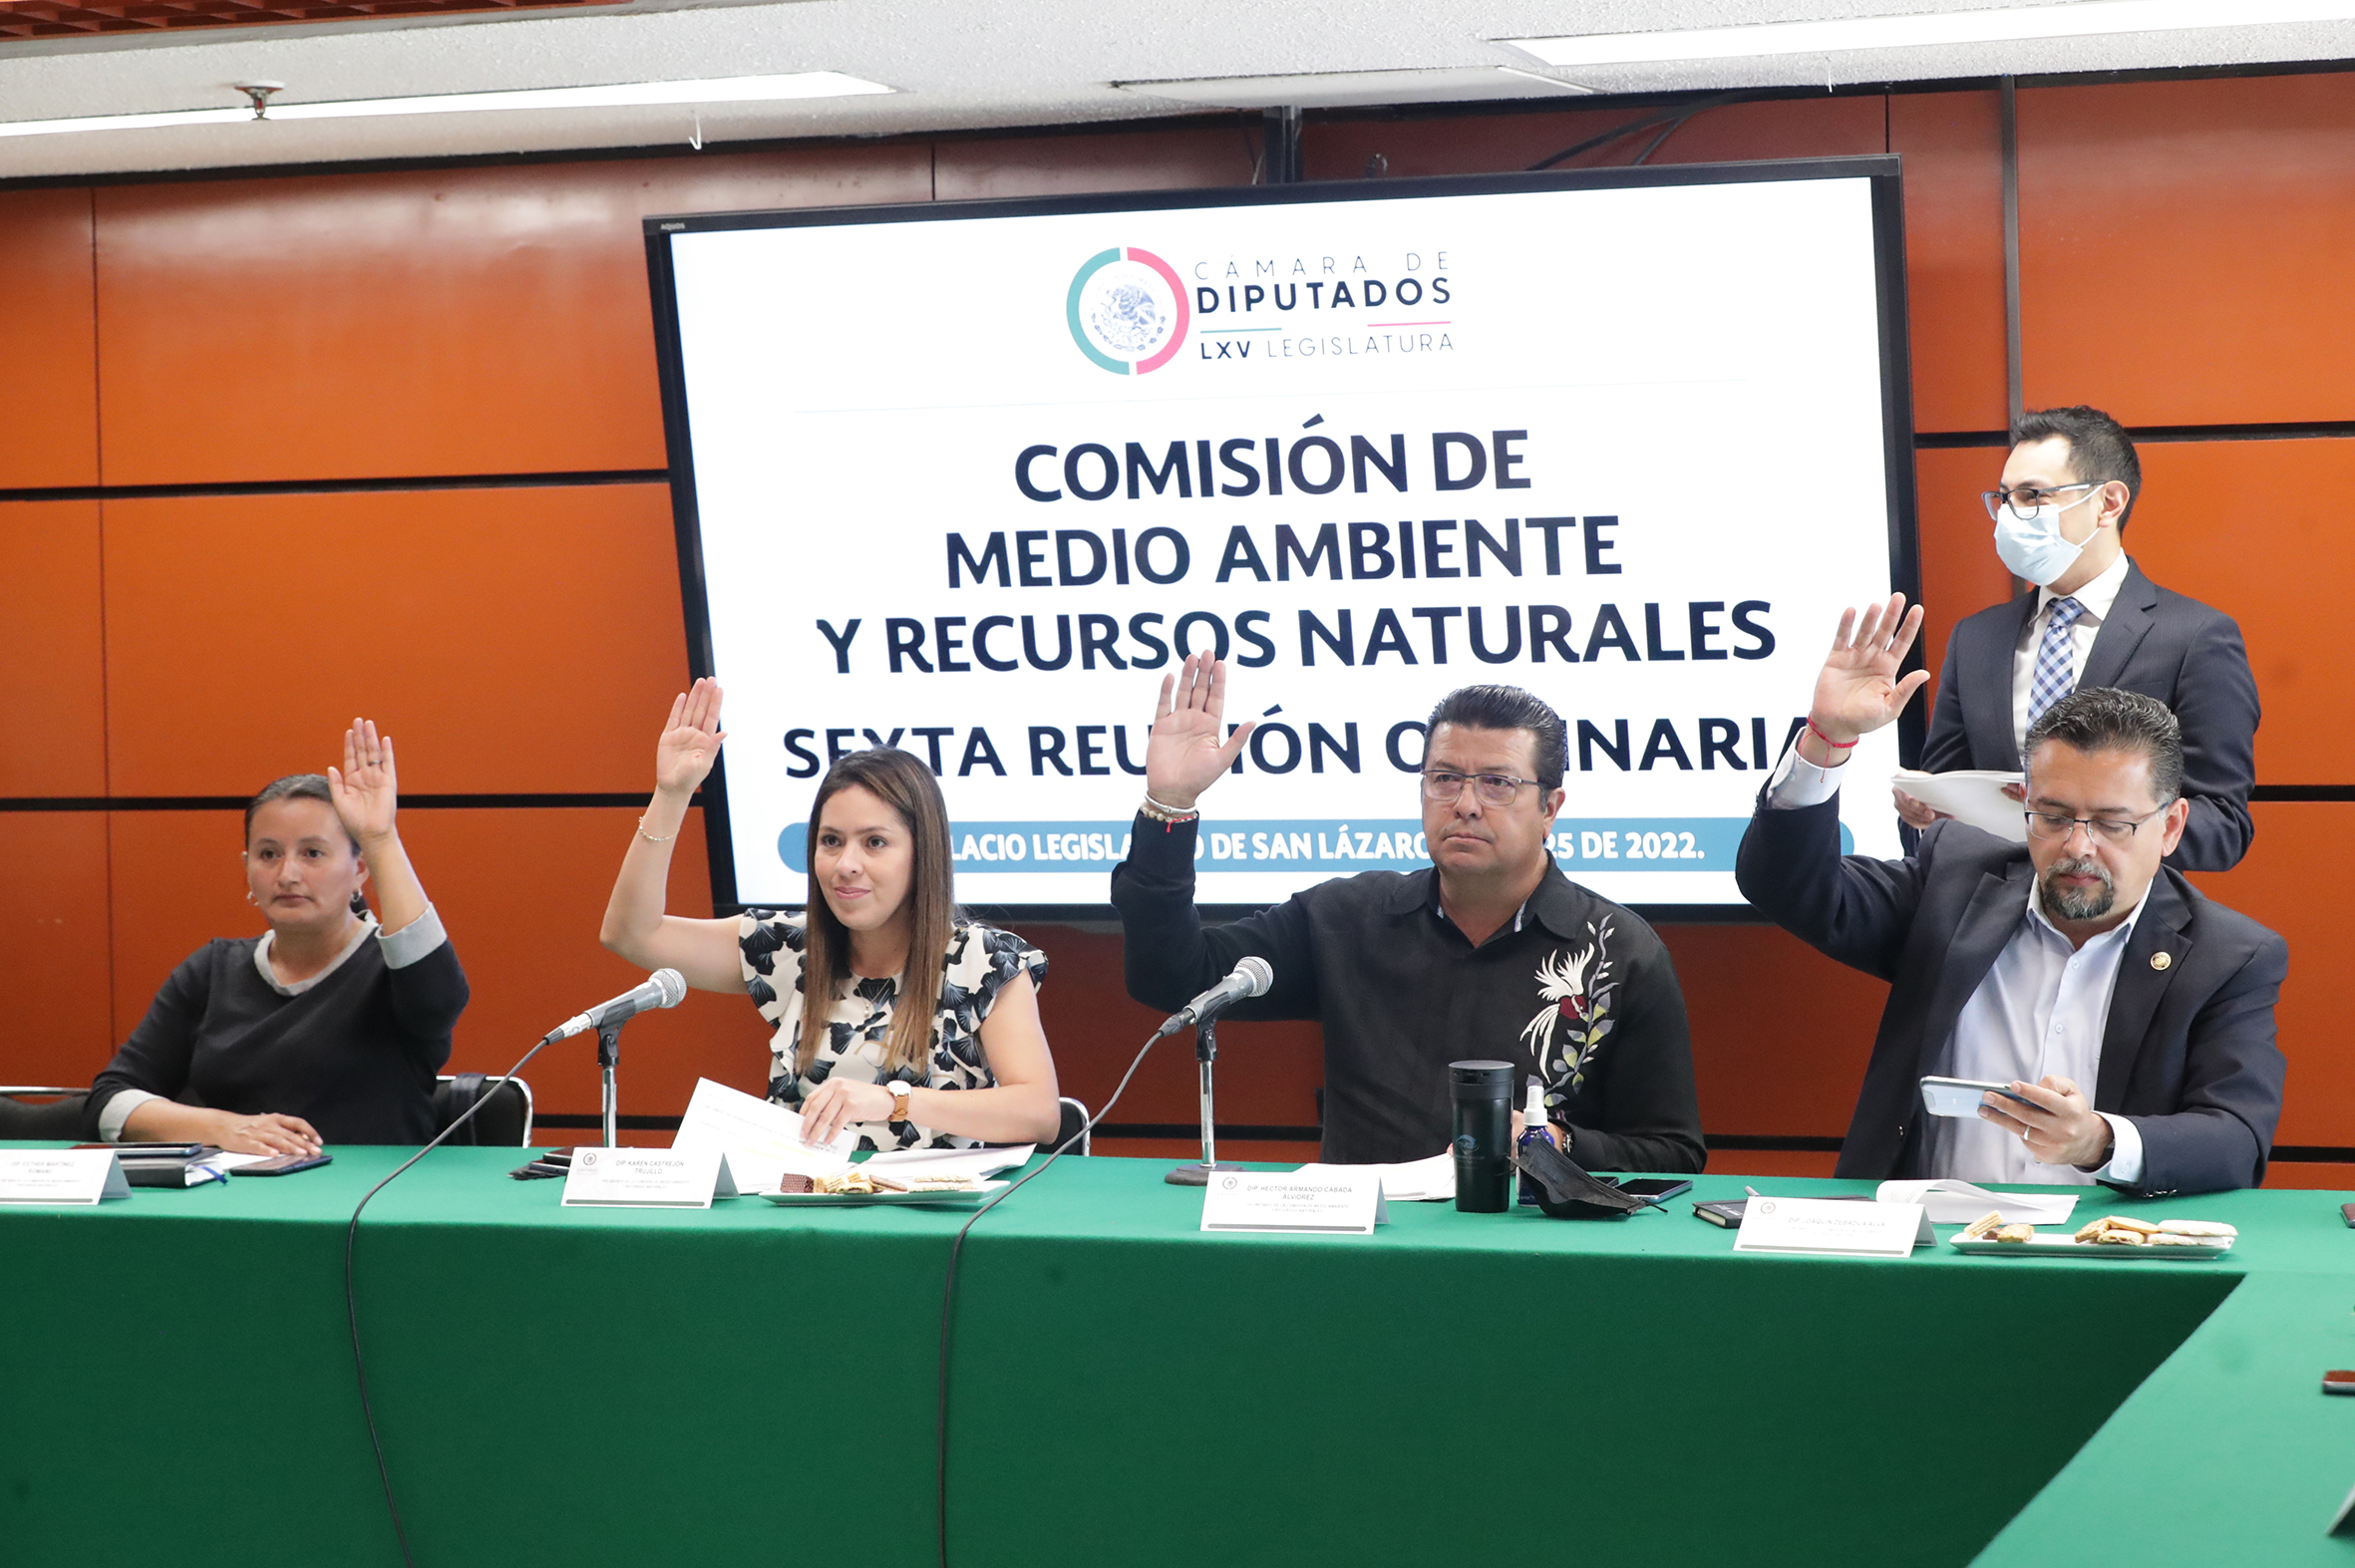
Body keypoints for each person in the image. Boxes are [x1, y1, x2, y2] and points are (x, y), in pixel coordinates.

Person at [1738, 596, 2285, 1194]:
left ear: (2171, 827)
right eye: (2052, 816)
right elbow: (1788, 887)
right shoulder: (1953, 886)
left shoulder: (2226, 957)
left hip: (2102, 1243)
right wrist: (1827, 741)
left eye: (2111, 824)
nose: (2078, 846)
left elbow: (2236, 1140)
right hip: (1927, 1238)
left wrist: (2099, 1141)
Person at [1111, 656, 1705, 1173]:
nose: (1466, 804)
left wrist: (1561, 1143)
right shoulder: (1346, 919)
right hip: (1363, 1247)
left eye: (1497, 784)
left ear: (1550, 807)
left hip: (1529, 1250)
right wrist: (1171, 805)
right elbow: (1173, 976)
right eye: (1444, 779)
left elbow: (1673, 1151)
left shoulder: (1617, 952)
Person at [599, 679, 1061, 1150]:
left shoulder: (983, 959)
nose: (846, 864)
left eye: (875, 842)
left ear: (923, 853)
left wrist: (892, 1101)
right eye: (831, 841)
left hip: (936, 1199)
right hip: (800, 1194)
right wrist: (672, 793)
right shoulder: (787, 946)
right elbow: (631, 934)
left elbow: (1040, 1113)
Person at [1900, 404, 2258, 871]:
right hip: (1990, 905)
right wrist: (1923, 812)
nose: (2011, 515)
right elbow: (1942, 791)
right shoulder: (1976, 638)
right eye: (2005, 498)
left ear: (2108, 503)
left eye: (2032, 495)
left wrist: (2080, 826)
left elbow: (2223, 825)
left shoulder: (2195, 636)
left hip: (2121, 909)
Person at [87, 721, 469, 1152]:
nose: (287, 874)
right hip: (237, 1189)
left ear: (360, 870)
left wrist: (379, 838)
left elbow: (440, 997)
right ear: (247, 868)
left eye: (313, 853)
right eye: (268, 854)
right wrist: (222, 1128)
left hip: (372, 1192)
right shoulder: (212, 970)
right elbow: (110, 1100)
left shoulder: (392, 969)